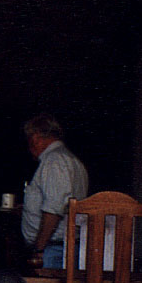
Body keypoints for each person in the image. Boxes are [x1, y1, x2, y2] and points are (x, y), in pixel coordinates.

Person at [19, 112, 88, 270]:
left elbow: (54, 209)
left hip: (53, 250)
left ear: (36, 137)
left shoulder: (54, 161)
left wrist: (39, 249)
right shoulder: (72, 160)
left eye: (29, 139)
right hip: (63, 247)